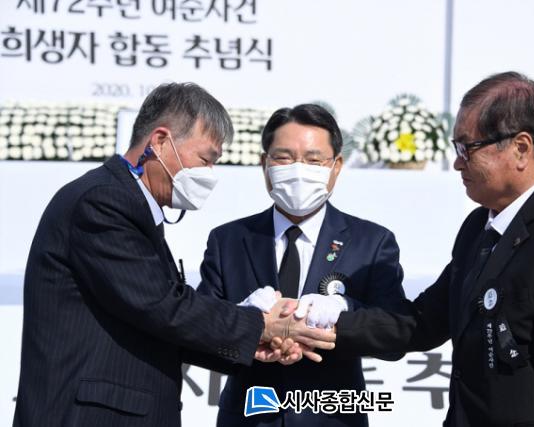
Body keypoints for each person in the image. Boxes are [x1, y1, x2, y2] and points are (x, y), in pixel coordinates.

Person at [13, 83, 334, 427]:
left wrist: (255, 343)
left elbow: (160, 323)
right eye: (205, 159)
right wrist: (261, 324)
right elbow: (161, 306)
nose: (208, 175)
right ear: (161, 141)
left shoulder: (131, 206)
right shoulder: (103, 202)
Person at [331, 72, 534, 426]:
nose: (457, 162)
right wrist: (324, 323)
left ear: (521, 148)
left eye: (468, 148)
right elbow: (422, 322)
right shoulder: (480, 226)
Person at [197, 103, 408, 427]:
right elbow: (197, 334)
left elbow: (395, 335)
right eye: (284, 158)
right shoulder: (228, 240)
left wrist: (343, 311)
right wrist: (243, 319)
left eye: (313, 160)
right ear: (264, 164)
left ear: (336, 166)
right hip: (249, 417)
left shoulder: (371, 242)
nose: (298, 170)